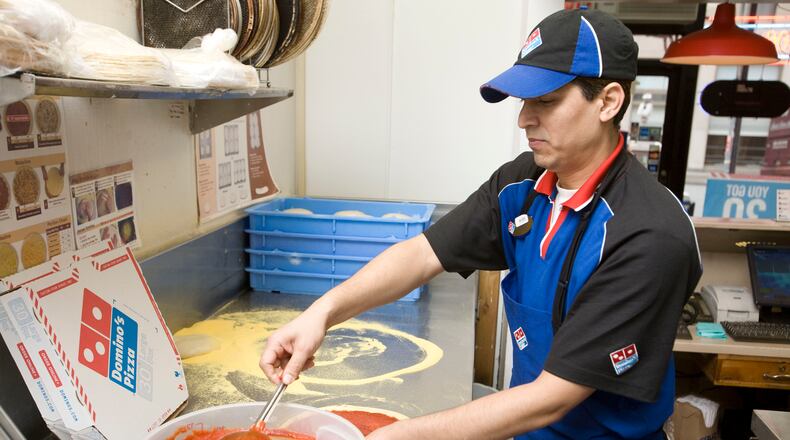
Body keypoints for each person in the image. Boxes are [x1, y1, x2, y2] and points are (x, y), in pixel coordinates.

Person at [259, 8, 701, 440]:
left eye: (546, 101)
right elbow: (420, 255)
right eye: (526, 101)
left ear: (607, 102)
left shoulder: (649, 236)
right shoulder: (523, 184)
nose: (525, 118)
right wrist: (321, 314)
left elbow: (551, 398)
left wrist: (394, 436)